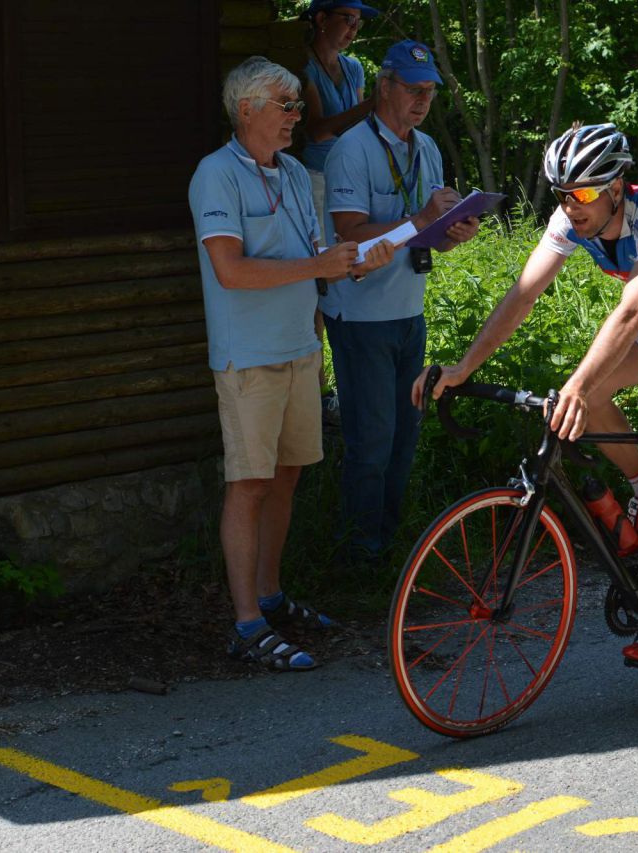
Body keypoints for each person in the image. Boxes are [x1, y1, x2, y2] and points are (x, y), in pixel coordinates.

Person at [414, 123, 638, 669]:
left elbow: (630, 312)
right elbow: (523, 294)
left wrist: (579, 385)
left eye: (580, 194)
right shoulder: (570, 220)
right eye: (560, 194)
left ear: (614, 187)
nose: (569, 206)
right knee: (589, 393)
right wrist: (464, 366)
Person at [188, 56, 392, 671]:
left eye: (298, 107)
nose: (297, 118)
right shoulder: (214, 175)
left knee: (287, 476)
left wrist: (356, 258)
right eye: (286, 106)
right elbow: (231, 270)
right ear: (246, 109)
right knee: (248, 484)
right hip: (247, 357)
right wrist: (319, 267)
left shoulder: (300, 175)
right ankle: (247, 625)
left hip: (301, 350)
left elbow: (314, 254)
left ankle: (271, 597)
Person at [322, 40, 481, 565]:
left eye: (430, 91)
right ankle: (359, 555)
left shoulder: (428, 148)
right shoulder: (352, 149)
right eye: (413, 89)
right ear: (383, 87)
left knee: (404, 438)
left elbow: (426, 234)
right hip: (362, 317)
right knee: (371, 441)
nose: (422, 100)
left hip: (408, 313)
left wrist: (455, 232)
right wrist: (419, 220)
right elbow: (350, 236)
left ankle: (390, 550)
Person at [299, 0, 379, 246]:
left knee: (354, 251)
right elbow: (317, 131)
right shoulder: (303, 66)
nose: (354, 29)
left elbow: (362, 123)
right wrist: (373, 103)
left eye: (359, 22)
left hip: (350, 175)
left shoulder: (354, 68)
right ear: (322, 19)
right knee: (324, 254)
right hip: (316, 177)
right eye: (348, 19)